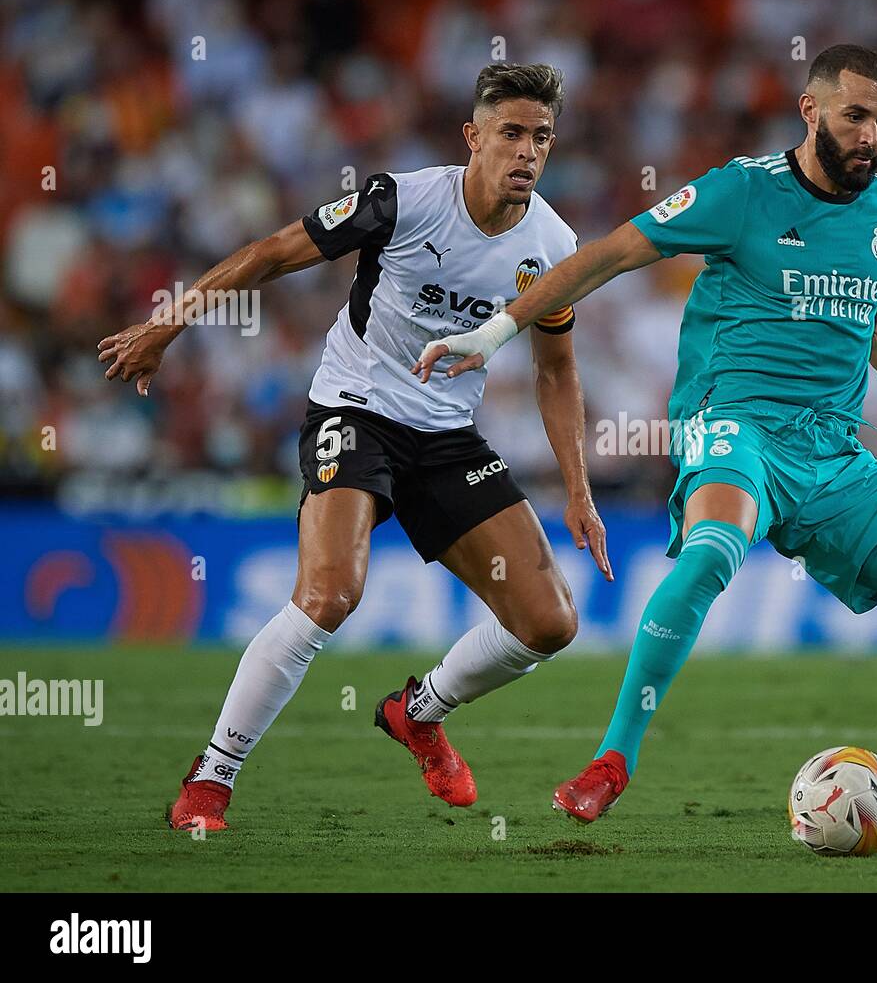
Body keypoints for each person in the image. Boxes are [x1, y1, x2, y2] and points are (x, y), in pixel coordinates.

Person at [415, 45, 877, 849]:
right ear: (811, 110)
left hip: (833, 453)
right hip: (734, 424)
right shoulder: (741, 192)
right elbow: (605, 257)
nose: (870, 135)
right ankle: (612, 760)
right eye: (855, 115)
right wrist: (496, 330)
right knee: (714, 548)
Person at [97, 63, 612, 832]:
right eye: (510, 133)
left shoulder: (554, 245)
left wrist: (578, 489)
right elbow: (272, 252)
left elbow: (556, 368)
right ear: (473, 138)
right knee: (330, 596)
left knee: (551, 622)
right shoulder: (400, 201)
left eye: (541, 136)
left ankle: (420, 711)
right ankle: (211, 778)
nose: (528, 152)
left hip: (447, 438)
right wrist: (167, 324)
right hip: (357, 410)